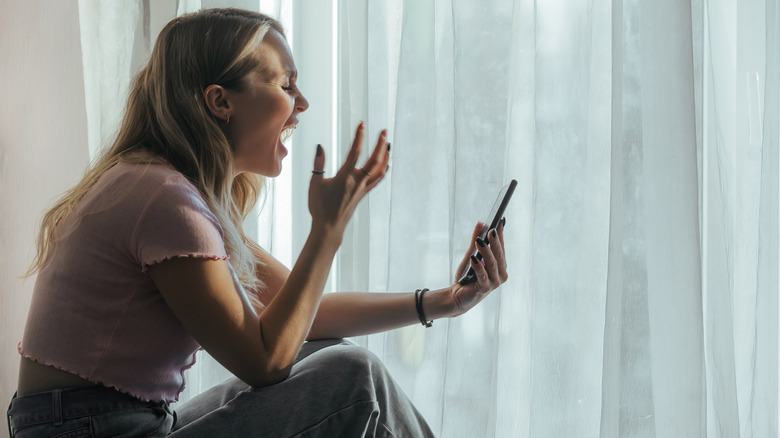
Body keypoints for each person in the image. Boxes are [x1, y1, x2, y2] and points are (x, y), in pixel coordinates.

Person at [7, 8, 508, 438]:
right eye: (286, 85)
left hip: (112, 422)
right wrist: (325, 231)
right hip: (91, 429)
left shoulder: (169, 192)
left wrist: (444, 301)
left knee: (329, 354)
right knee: (352, 376)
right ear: (220, 101)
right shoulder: (164, 200)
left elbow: (304, 318)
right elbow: (266, 362)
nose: (303, 104)